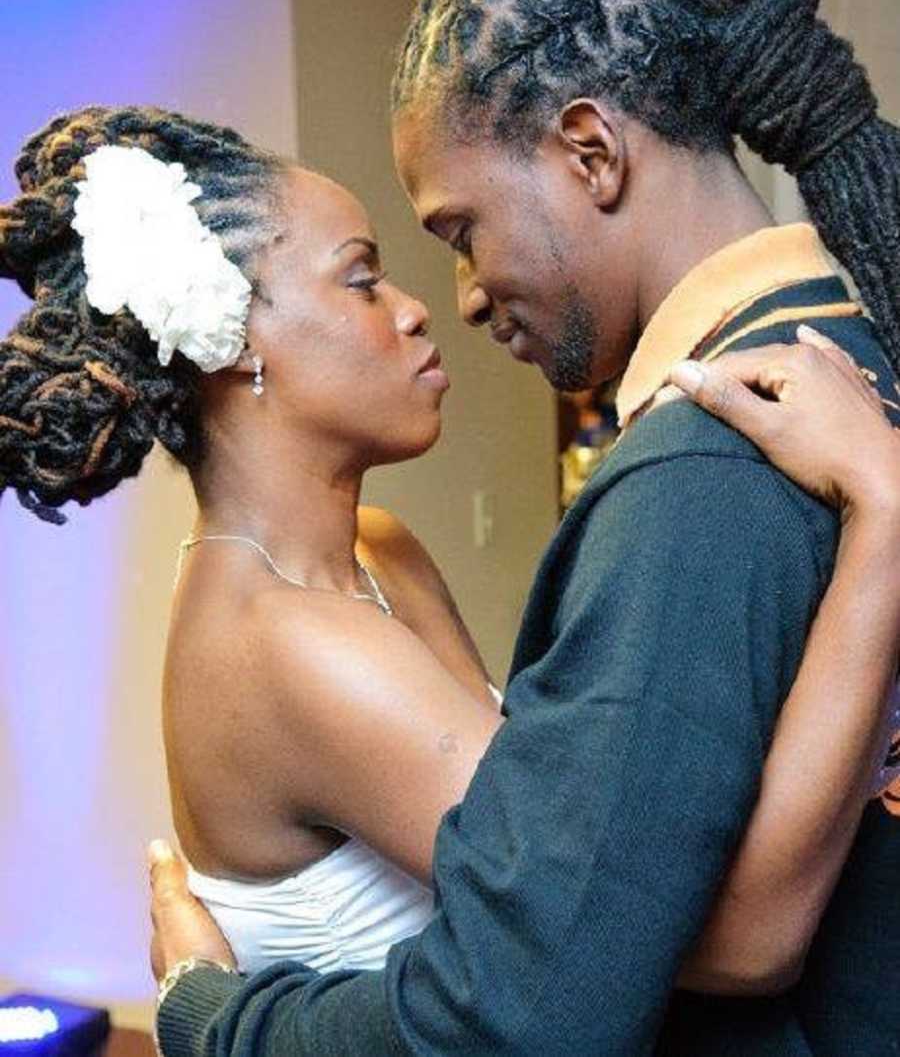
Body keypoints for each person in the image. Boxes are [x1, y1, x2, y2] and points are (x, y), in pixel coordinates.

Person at [148, 0, 900, 1056]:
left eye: (460, 233)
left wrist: (220, 1024)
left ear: (591, 154)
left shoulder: (701, 470)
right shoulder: (860, 350)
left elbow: (539, 1001)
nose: (459, 297)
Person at [0, 107, 891, 992]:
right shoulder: (291, 644)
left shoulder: (380, 550)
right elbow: (656, 936)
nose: (419, 309)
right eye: (363, 279)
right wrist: (879, 517)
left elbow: (564, 813)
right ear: (235, 341)